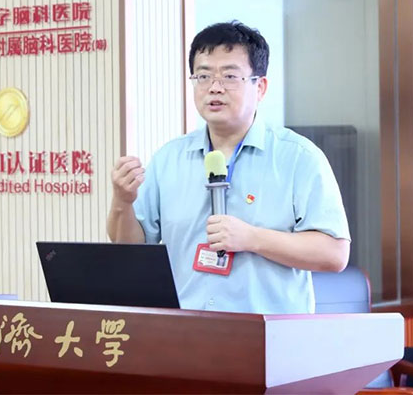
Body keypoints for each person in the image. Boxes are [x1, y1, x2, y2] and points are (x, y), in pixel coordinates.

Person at [106, 21, 350, 314]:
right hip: (185, 330)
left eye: (230, 76)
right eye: (203, 76)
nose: (215, 87)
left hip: (267, 332)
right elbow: (130, 247)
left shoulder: (298, 157)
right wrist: (122, 201)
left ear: (260, 87)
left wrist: (253, 238)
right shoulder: (168, 158)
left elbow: (334, 254)